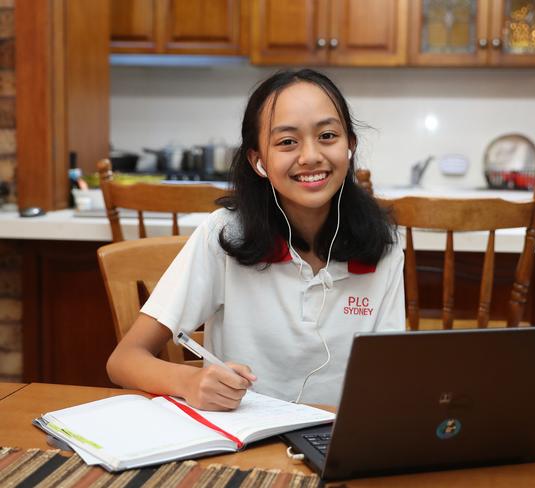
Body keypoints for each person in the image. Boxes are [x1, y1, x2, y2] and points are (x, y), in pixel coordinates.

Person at [106, 69, 405, 410]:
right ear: (258, 160)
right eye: (287, 142)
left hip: (338, 444)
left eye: (327, 135)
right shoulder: (225, 235)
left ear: (350, 144)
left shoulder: (386, 244)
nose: (310, 156)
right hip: (243, 443)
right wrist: (190, 382)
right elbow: (124, 360)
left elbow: (391, 378)